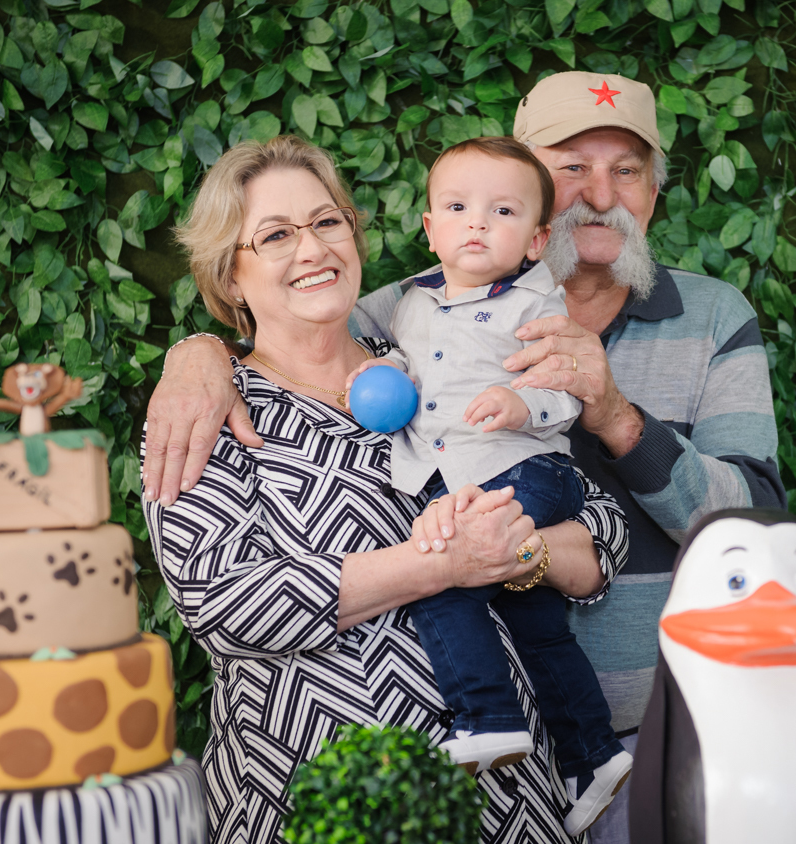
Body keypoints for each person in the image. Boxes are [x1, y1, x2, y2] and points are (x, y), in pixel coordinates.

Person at [142, 71, 785, 844]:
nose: (601, 193)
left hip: (562, 777)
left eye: (627, 169)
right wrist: (198, 354)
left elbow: (646, 524)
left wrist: (595, 435)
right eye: (571, 166)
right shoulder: (397, 332)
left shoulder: (419, 341)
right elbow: (223, 601)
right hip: (316, 791)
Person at [142, 134, 630, 844]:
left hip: (508, 806)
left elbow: (601, 523)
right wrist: (445, 564)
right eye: (276, 235)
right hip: (322, 796)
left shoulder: (425, 361)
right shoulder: (207, 409)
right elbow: (221, 601)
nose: (311, 250)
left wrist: (521, 551)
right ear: (230, 277)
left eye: (326, 222)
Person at [347, 136, 632, 835]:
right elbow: (318, 322)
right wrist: (376, 374)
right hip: (457, 472)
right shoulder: (407, 303)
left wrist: (522, 405)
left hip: (526, 468)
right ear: (429, 228)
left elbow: (571, 394)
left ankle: (488, 720)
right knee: (534, 621)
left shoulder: (535, 304)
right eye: (457, 207)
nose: (476, 223)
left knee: (444, 579)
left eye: (500, 211)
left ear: (536, 241)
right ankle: (593, 755)